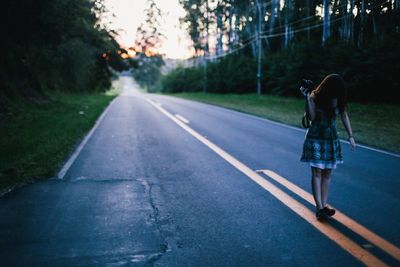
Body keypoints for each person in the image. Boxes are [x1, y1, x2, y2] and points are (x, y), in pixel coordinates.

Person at [300, 73, 356, 221]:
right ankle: (319, 208)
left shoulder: (339, 99)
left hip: (331, 140)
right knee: (317, 172)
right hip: (316, 138)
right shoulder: (314, 97)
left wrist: (351, 136)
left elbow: (344, 116)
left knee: (327, 173)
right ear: (329, 88)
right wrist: (308, 99)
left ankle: (324, 206)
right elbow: (311, 118)